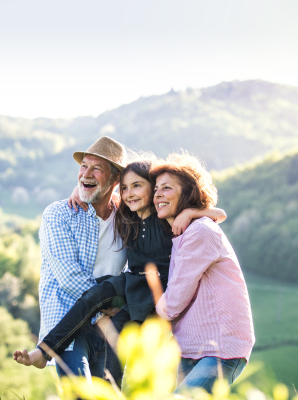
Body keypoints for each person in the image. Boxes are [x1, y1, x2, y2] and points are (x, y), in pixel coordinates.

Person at [14, 157, 227, 386]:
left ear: (153, 189)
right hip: (130, 282)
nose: (129, 193)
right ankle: (44, 351)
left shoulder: (164, 216)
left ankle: (111, 389)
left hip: (156, 289)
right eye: (125, 188)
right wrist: (79, 190)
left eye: (137, 186)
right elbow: (102, 198)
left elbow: (219, 214)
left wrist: (190, 213)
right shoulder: (126, 216)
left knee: (116, 338)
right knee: (92, 297)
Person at [24, 136, 129, 383]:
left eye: (96, 169)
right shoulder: (59, 214)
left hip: (109, 328)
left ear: (115, 179)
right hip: (68, 324)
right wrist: (108, 307)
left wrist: (197, 211)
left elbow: (157, 192)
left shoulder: (127, 219)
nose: (86, 174)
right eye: (84, 166)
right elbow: (69, 277)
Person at [152, 153, 255, 394]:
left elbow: (173, 304)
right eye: (156, 189)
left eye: (166, 188)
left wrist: (152, 305)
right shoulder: (183, 233)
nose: (158, 194)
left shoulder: (200, 231)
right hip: (189, 345)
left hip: (220, 348)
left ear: (187, 193)